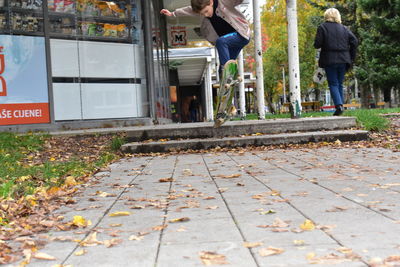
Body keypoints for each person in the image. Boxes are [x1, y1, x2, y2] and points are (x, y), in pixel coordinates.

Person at [160, 0, 250, 78]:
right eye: (202, 14)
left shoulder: (224, 2)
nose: (206, 15)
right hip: (231, 44)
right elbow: (188, 10)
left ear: (211, 2)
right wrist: (173, 14)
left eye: (206, 11)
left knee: (221, 42)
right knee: (225, 67)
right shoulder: (203, 7)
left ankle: (226, 72)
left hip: (240, 35)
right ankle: (227, 81)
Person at [314, 8, 358, 116]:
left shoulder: (322, 27)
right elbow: (354, 41)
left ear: (326, 16)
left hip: (329, 59)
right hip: (344, 59)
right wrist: (351, 56)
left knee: (333, 83)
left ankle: (339, 106)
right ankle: (341, 105)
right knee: (339, 83)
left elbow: (317, 44)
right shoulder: (344, 29)